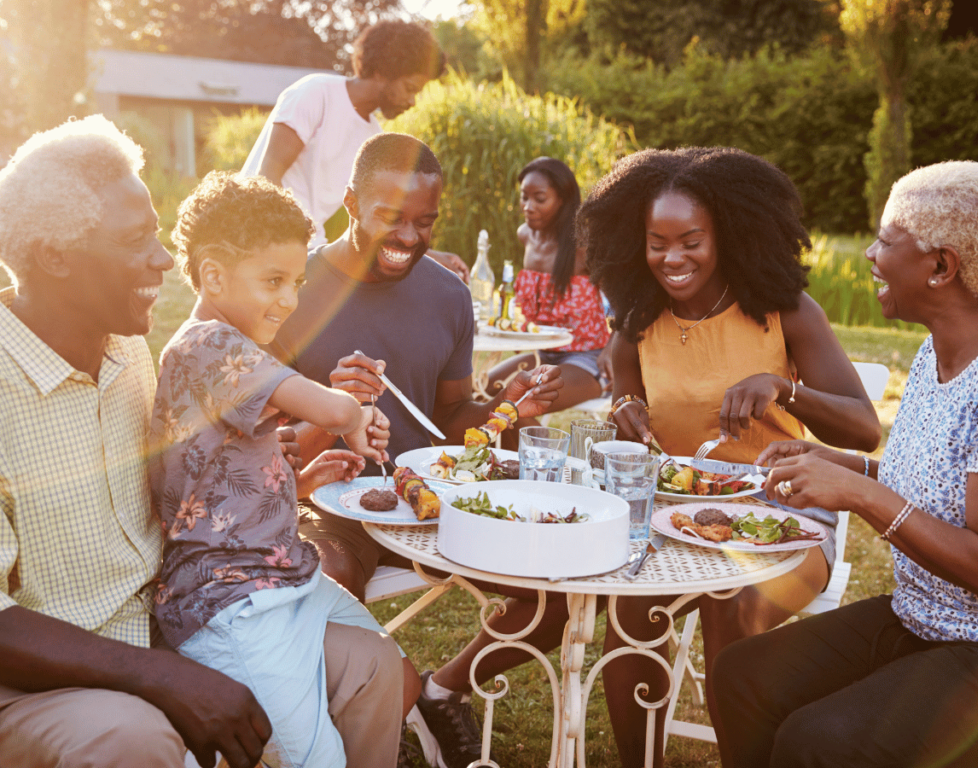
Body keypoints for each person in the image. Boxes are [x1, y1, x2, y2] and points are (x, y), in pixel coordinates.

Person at [711, 160, 978, 768]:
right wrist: (841, 464)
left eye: (886, 240)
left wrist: (858, 495)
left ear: (941, 267)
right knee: (744, 676)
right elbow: (936, 490)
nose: (871, 255)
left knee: (818, 741)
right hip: (922, 619)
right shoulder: (942, 347)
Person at [269, 131, 566, 768]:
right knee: (324, 582)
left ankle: (440, 690)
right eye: (390, 219)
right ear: (349, 201)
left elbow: (452, 418)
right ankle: (328, 742)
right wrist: (330, 404)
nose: (409, 237)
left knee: (558, 587)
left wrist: (510, 408)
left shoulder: (448, 295)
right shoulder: (291, 287)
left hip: (439, 506)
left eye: (425, 222)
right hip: (331, 504)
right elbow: (254, 439)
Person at [578, 146, 882, 766]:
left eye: (690, 241)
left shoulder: (784, 311)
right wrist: (623, 408)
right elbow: (623, 390)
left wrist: (783, 387)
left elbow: (864, 428)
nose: (672, 258)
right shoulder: (637, 321)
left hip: (783, 515)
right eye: (656, 243)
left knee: (729, 607)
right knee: (629, 619)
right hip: (678, 517)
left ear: (728, 234)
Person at [0, 115, 270, 768]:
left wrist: (278, 466)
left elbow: (166, 490)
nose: (162, 258)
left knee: (361, 664)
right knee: (134, 737)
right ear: (55, 257)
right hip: (32, 685)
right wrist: (162, 676)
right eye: (136, 240)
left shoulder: (125, 346)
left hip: (161, 629)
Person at [150, 171, 404, 768]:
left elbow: (221, 479)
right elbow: (332, 405)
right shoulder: (208, 346)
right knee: (317, 760)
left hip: (282, 580)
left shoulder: (230, 350)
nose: (289, 299)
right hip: (233, 604)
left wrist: (301, 481)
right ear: (213, 275)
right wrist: (354, 414)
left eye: (295, 281)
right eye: (273, 281)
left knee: (379, 661)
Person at [242, 19, 468, 281]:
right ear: (384, 70)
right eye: (409, 89)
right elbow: (266, 176)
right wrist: (280, 249)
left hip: (307, 250)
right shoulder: (316, 94)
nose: (412, 101)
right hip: (260, 237)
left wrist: (430, 256)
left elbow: (368, 220)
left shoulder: (373, 138)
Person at [484, 157, 612, 442]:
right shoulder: (525, 236)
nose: (528, 207)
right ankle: (535, 458)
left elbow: (625, 302)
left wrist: (612, 350)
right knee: (483, 389)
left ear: (563, 199)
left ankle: (547, 459)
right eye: (524, 197)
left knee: (516, 400)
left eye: (539, 199)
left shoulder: (585, 245)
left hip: (584, 358)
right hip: (538, 352)